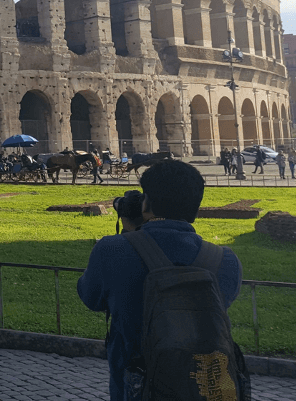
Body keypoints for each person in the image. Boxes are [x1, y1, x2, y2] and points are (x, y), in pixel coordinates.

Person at [77, 160, 243, 401]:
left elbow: (90, 297)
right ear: (196, 210)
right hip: (205, 385)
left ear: (146, 205)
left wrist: (130, 234)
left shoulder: (111, 251)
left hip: (136, 383)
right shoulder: (225, 260)